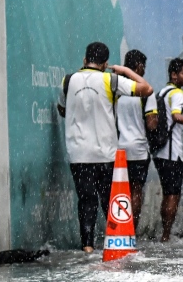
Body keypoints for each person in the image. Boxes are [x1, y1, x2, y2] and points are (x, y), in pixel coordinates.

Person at [59, 41, 153, 253]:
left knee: (86, 200)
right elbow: (147, 89)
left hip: (79, 154)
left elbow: (62, 109)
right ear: (105, 63)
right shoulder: (110, 79)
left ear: (85, 60)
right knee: (109, 201)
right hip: (106, 154)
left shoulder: (68, 80)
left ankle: (88, 246)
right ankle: (116, 243)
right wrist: (126, 70)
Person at [146, 57, 183, 241]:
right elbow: (177, 117)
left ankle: (164, 233)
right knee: (173, 194)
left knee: (167, 192)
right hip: (172, 152)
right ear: (174, 75)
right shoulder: (178, 94)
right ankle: (166, 235)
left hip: (160, 150)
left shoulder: (163, 92)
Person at [116, 49, 154, 225]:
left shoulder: (117, 90)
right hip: (138, 149)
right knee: (136, 190)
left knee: (121, 190)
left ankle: (120, 226)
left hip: (119, 148)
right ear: (138, 67)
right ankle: (133, 230)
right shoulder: (146, 92)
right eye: (143, 67)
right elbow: (152, 124)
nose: (144, 71)